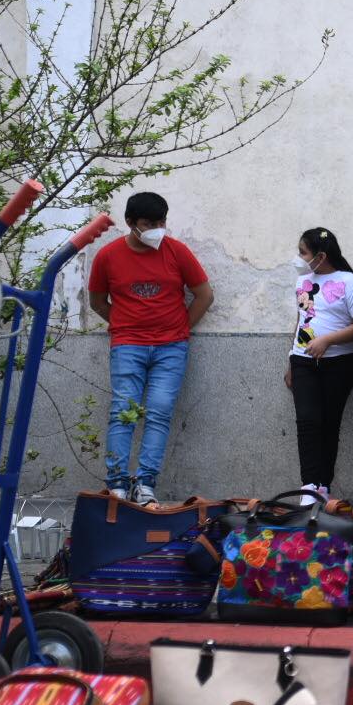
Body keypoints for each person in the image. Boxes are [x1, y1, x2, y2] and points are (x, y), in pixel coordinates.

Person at [87, 192, 213, 506]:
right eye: (148, 223)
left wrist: (181, 329)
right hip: (128, 346)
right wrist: (123, 323)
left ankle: (145, 484)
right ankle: (116, 485)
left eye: (161, 222)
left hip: (171, 348)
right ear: (131, 223)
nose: (157, 228)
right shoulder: (108, 256)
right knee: (123, 414)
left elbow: (204, 296)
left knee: (158, 414)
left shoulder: (177, 252)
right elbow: (97, 301)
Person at [285, 227, 353, 500]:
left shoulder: (350, 282)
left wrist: (328, 340)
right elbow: (301, 320)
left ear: (321, 256)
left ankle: (323, 486)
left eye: (302, 252)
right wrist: (291, 360)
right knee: (307, 421)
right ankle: (308, 486)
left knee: (329, 424)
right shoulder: (301, 282)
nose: (298, 258)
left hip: (339, 364)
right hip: (303, 361)